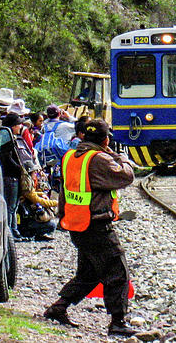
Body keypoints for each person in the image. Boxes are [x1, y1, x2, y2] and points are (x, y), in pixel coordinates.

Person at [43, 119, 140, 337]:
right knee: (118, 271)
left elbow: (65, 192)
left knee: (90, 272)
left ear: (83, 137)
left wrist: (62, 217)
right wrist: (120, 157)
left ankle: (59, 307)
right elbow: (126, 176)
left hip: (76, 224)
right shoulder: (100, 159)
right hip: (97, 225)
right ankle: (118, 322)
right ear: (106, 140)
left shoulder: (70, 157)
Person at [0, 113, 25, 239]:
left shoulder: (9, 137)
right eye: (18, 124)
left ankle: (14, 231)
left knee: (13, 206)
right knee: (10, 206)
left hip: (12, 176)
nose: (20, 126)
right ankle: (10, 233)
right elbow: (6, 157)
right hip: (10, 177)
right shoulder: (5, 137)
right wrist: (20, 169)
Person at [17, 160, 57, 241]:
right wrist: (55, 203)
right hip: (26, 223)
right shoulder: (27, 188)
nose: (36, 174)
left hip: (25, 221)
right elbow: (38, 201)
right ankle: (32, 233)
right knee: (52, 225)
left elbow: (33, 193)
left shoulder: (25, 187)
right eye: (34, 172)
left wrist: (41, 193)